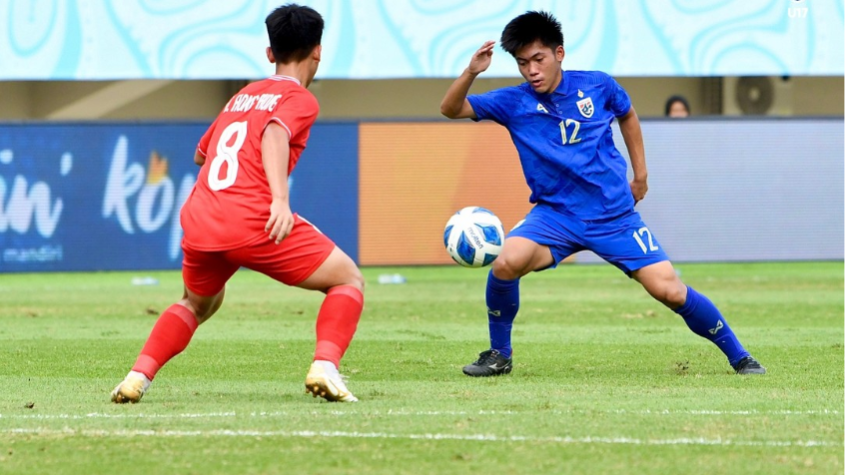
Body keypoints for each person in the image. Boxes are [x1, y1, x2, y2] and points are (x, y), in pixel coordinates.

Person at [439, 11, 765, 377]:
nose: (531, 70)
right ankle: (499, 354)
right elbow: (451, 109)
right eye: (522, 63)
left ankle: (740, 357)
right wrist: (471, 72)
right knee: (505, 262)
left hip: (614, 217)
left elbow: (627, 115)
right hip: (555, 217)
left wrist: (640, 175)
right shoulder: (513, 103)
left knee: (670, 290)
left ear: (559, 53)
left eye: (538, 59)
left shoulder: (597, 85)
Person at [111, 4, 363, 404]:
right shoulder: (300, 99)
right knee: (348, 279)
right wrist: (279, 199)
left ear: (269, 54)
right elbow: (274, 135)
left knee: (196, 303)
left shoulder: (243, 96)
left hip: (201, 217)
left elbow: (201, 154)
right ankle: (325, 367)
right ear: (318, 51)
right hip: (251, 218)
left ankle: (137, 376)